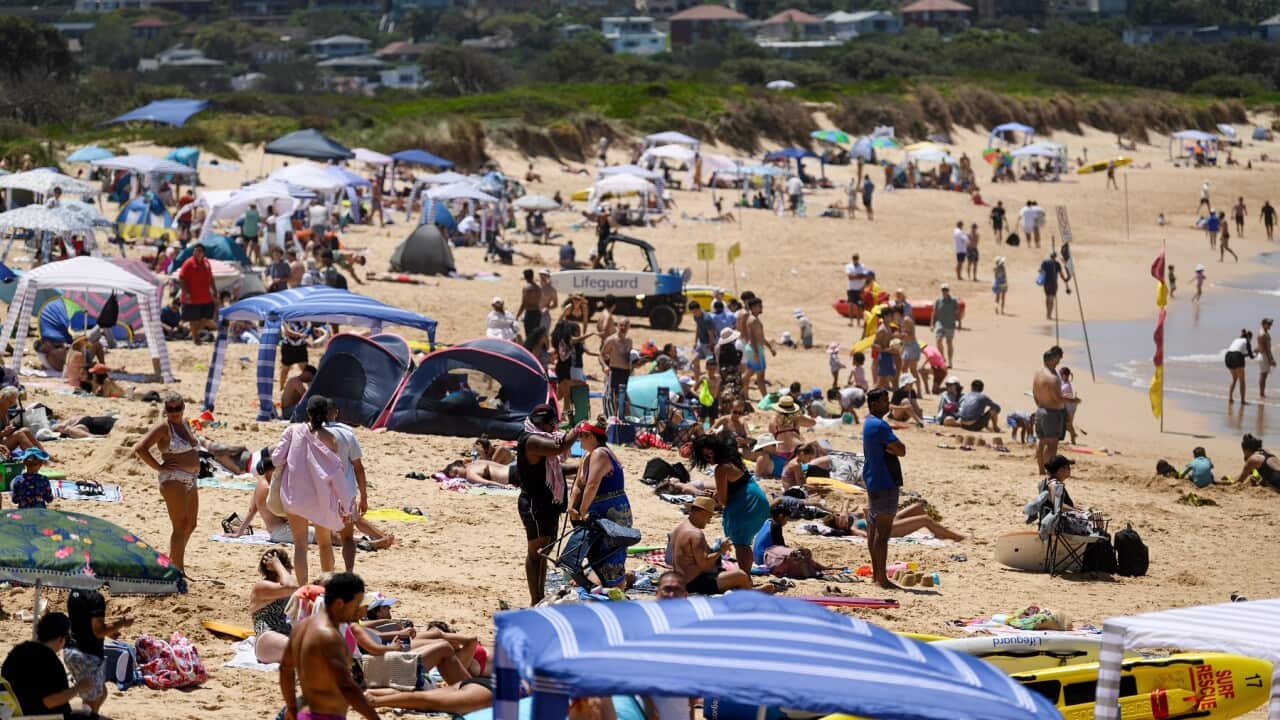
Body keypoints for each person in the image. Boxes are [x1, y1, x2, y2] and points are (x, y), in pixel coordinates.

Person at [272, 396, 351, 584]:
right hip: (321, 497)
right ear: (327, 415)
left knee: (300, 545)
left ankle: (302, 588)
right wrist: (346, 505)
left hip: (294, 495)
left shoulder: (292, 431)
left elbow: (276, 460)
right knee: (325, 544)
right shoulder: (331, 439)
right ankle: (326, 587)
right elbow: (337, 474)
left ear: (307, 412)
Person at [279, 572, 379, 720]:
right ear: (339, 604)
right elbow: (345, 686)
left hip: (305, 712)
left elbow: (285, 669)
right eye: (356, 604)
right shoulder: (329, 636)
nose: (359, 610)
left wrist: (292, 707)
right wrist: (374, 717)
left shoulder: (303, 627)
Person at [517, 404, 581, 605]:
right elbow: (558, 447)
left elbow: (554, 467)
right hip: (535, 504)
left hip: (548, 503)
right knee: (536, 553)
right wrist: (578, 429)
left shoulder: (540, 439)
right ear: (543, 424)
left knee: (544, 552)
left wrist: (581, 467)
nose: (555, 429)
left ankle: (539, 597)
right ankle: (535, 599)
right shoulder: (532, 440)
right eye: (552, 425)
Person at [133, 392, 201, 570]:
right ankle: (177, 570)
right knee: (180, 526)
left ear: (183, 407)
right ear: (165, 410)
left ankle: (173, 561)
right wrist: (159, 467)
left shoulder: (185, 424)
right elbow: (140, 448)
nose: (173, 412)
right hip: (173, 479)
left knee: (191, 524)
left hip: (191, 479)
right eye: (169, 409)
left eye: (177, 408)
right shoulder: (164, 428)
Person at [690, 433, 770, 579]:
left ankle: (745, 578)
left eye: (709, 455)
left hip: (745, 502)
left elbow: (723, 500)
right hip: (755, 497)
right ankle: (745, 576)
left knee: (741, 543)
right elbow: (733, 486)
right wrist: (716, 494)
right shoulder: (733, 460)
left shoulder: (721, 469)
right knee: (744, 542)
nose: (709, 459)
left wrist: (713, 497)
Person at [566, 420, 633, 588]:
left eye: (582, 436)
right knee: (594, 549)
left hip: (611, 510)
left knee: (610, 551)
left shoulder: (600, 453)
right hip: (595, 509)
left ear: (592, 436)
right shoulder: (587, 457)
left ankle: (615, 586)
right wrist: (571, 506)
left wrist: (581, 510)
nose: (579, 440)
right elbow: (578, 486)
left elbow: (592, 485)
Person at [2, 612, 92, 719]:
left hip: (15, 714)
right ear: (61, 640)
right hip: (43, 717)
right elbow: (49, 701)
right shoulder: (50, 662)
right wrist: (78, 688)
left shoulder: (18, 651)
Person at [669, 496, 762, 595]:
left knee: (724, 572)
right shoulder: (696, 534)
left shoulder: (678, 528)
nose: (708, 521)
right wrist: (721, 551)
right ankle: (752, 595)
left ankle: (747, 591)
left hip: (679, 580)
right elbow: (704, 564)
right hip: (693, 584)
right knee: (740, 575)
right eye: (709, 517)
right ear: (702, 513)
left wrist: (717, 550)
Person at [862, 388, 906, 590]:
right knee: (882, 533)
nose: (888, 404)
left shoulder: (869, 423)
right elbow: (901, 449)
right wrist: (892, 448)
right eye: (885, 401)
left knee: (874, 530)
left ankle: (876, 575)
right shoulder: (879, 425)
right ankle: (881, 577)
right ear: (875, 403)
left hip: (874, 480)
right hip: (885, 481)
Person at [64, 588, 132, 718]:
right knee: (92, 701)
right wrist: (122, 623)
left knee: (101, 693)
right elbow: (98, 631)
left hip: (72, 651)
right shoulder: (95, 599)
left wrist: (110, 630)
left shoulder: (75, 593)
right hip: (87, 655)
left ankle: (87, 714)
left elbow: (84, 624)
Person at [325, 398, 369, 574]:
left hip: (323, 493)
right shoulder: (347, 434)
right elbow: (359, 468)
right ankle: (349, 572)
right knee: (348, 538)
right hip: (345, 492)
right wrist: (364, 497)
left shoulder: (313, 433)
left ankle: (328, 573)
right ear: (336, 413)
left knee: (325, 540)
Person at [251, 548, 299, 664]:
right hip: (267, 638)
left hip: (286, 636)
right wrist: (277, 564)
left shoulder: (282, 589)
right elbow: (290, 586)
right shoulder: (262, 587)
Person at [1032, 346, 1068, 474]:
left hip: (1041, 410)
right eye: (1058, 358)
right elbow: (1058, 399)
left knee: (1041, 441)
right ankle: (1049, 471)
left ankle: (1041, 469)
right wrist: (1073, 401)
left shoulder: (1039, 373)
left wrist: (1041, 405)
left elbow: (1035, 394)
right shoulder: (1051, 377)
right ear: (1052, 359)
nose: (1059, 361)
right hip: (1051, 412)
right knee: (1052, 444)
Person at [177, 243, 218, 344]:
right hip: (192, 297)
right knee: (193, 319)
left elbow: (211, 277)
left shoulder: (206, 262)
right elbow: (181, 278)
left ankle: (193, 334)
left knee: (207, 318)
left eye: (199, 250)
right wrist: (186, 293)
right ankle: (196, 339)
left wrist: (214, 289)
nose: (197, 252)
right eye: (195, 250)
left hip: (206, 296)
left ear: (203, 253)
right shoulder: (188, 263)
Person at [742, 297, 776, 399]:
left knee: (749, 372)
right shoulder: (753, 321)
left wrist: (770, 348)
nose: (761, 308)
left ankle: (745, 394)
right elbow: (752, 337)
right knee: (760, 377)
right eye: (759, 306)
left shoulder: (753, 319)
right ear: (753, 308)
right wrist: (756, 353)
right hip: (755, 349)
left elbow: (760, 336)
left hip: (753, 348)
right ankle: (765, 398)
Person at [600, 318, 633, 418]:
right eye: (621, 325)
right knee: (615, 402)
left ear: (629, 327)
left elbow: (630, 357)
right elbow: (601, 355)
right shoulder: (611, 340)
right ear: (617, 326)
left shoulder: (629, 341)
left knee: (626, 402)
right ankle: (613, 423)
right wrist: (605, 366)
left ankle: (624, 424)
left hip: (626, 373)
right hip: (615, 372)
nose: (623, 327)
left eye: (625, 325)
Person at [932, 284, 959, 368]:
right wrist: (932, 324)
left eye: (946, 290)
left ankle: (950, 361)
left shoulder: (953, 301)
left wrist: (959, 323)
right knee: (938, 340)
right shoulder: (938, 301)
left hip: (950, 324)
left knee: (949, 342)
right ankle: (942, 358)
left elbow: (957, 312)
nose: (944, 291)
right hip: (940, 324)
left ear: (948, 291)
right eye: (943, 290)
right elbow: (934, 313)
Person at [1225, 329, 1254, 405]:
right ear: (1250, 337)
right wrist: (1256, 353)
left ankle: (1230, 398)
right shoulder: (1247, 341)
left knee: (1234, 379)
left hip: (1228, 356)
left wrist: (1249, 354)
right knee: (1242, 381)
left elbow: (1239, 352)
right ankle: (1243, 401)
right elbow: (1251, 356)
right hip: (1237, 357)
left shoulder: (1236, 340)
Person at [516, 269, 542, 351]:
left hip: (530, 313)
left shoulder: (527, 288)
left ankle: (530, 353)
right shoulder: (538, 288)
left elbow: (523, 304)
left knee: (529, 335)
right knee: (536, 336)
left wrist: (518, 315)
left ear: (525, 277)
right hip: (537, 312)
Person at [1039, 251, 1068, 321]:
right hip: (1054, 283)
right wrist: (1065, 280)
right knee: (1051, 298)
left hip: (1046, 283)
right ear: (1055, 257)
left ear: (1050, 256)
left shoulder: (1045, 262)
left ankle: (1047, 313)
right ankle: (1050, 314)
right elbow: (1061, 274)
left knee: (1047, 297)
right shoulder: (1057, 264)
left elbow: (1040, 271)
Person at [844, 253, 869, 327]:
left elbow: (864, 275)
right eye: (854, 258)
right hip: (851, 288)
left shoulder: (862, 266)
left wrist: (855, 276)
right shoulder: (848, 266)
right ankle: (851, 321)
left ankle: (858, 322)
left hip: (860, 289)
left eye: (856, 258)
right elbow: (850, 277)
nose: (855, 260)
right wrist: (859, 276)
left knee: (859, 306)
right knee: (851, 305)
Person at [1258, 318, 1276, 399]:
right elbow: (1266, 349)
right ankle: (1261, 394)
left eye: (1271, 324)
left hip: (1264, 355)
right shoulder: (1263, 334)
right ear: (1264, 324)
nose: (1270, 325)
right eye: (1269, 324)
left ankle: (1262, 393)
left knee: (1264, 375)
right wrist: (1271, 360)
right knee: (1263, 375)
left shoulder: (1264, 332)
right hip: (1264, 356)